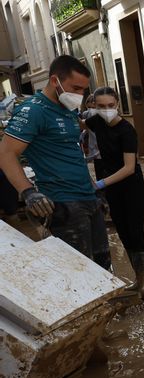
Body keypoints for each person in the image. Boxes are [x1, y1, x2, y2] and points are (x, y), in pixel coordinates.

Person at [0, 55, 111, 269]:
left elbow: (73, 151)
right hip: (63, 202)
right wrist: (28, 192)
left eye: (83, 90)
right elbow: (5, 154)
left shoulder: (68, 110)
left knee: (103, 264)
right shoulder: (33, 111)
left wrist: (94, 189)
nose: (79, 95)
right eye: (75, 88)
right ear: (54, 81)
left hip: (87, 198)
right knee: (80, 269)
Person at [83, 86, 144, 299]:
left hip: (130, 185)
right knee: (122, 232)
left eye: (111, 106)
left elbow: (129, 167)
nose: (107, 110)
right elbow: (78, 124)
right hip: (112, 188)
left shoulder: (126, 130)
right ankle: (138, 280)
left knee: (135, 232)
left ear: (118, 105)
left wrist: (99, 184)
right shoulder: (95, 122)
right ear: (94, 106)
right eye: (101, 106)